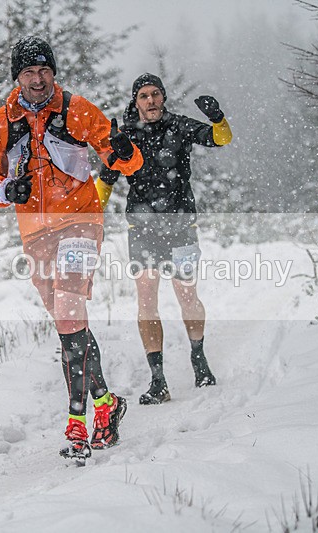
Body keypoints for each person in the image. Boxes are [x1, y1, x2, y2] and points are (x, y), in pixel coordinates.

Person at [0, 37, 144, 460]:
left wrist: (124, 153)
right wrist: (5, 189)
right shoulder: (3, 122)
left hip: (81, 223)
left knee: (70, 308)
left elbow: (122, 155)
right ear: (18, 77)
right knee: (69, 321)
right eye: (29, 72)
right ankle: (107, 403)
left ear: (54, 73)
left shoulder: (76, 109)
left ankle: (77, 422)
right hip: (35, 233)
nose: (38, 80)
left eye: (44, 71)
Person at [95, 73, 232, 405]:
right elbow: (105, 183)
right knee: (146, 300)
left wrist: (217, 118)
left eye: (156, 94)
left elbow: (220, 139)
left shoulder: (179, 126)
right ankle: (158, 380)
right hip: (141, 230)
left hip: (181, 226)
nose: (151, 100)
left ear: (164, 97)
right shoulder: (124, 137)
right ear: (136, 101)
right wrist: (90, 218)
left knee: (186, 294)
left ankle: (198, 357)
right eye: (144, 95)